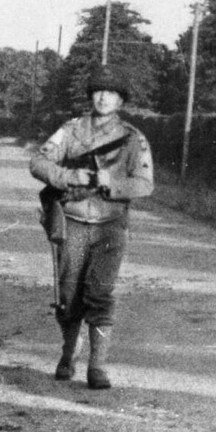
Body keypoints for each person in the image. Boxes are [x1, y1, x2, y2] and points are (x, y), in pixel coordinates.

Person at [30, 64, 155, 389]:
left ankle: (97, 367)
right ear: (90, 96)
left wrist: (110, 182)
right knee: (69, 296)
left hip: (110, 227)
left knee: (100, 294)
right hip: (71, 223)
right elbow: (39, 162)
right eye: (98, 91)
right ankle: (69, 351)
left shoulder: (132, 139)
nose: (103, 97)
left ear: (121, 100)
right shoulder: (71, 131)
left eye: (111, 93)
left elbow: (144, 185)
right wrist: (69, 176)